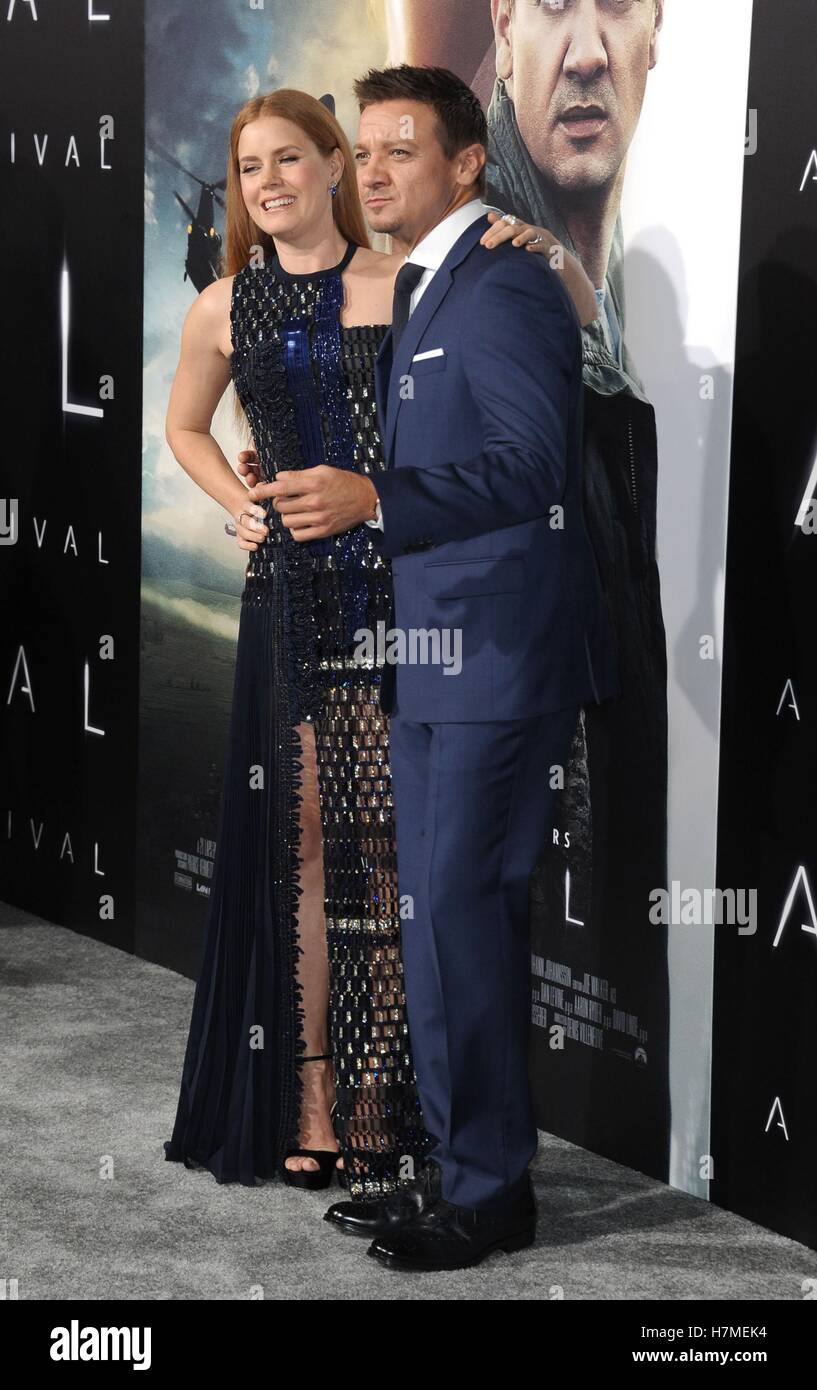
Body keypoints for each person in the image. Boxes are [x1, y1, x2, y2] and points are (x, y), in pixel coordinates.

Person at [163, 88, 595, 1197]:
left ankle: (400, 1108)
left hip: (411, 596)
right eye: (248, 167)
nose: (269, 183)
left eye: (293, 159)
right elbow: (184, 423)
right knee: (316, 853)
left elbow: (535, 372)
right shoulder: (228, 303)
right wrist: (241, 504)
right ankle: (322, 1092)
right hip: (307, 592)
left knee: (409, 866)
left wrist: (540, 241)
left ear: (332, 171)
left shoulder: (416, 282)